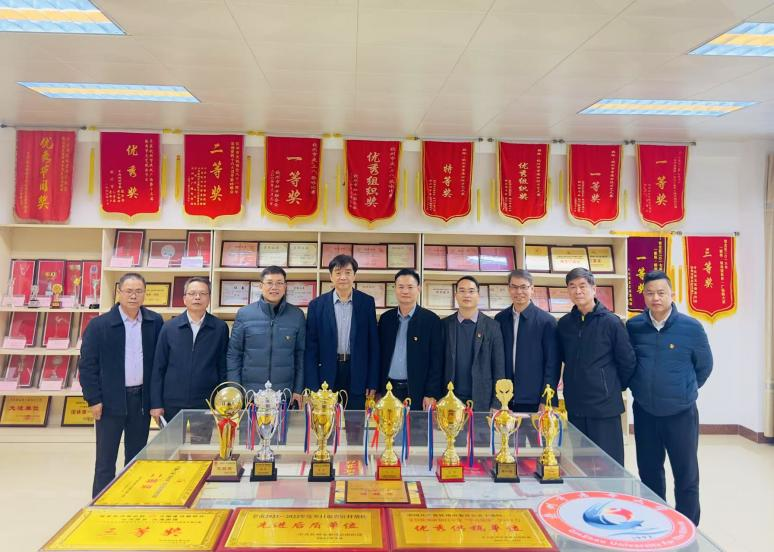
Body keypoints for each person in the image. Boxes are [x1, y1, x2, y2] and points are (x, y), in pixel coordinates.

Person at [627, 270, 713, 526]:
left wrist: (684, 389)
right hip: (645, 412)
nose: (656, 298)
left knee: (686, 475)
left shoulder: (691, 327)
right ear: (643, 296)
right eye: (650, 293)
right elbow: (628, 362)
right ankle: (656, 522)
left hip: (681, 414)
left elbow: (705, 366)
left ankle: (688, 528)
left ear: (672, 294)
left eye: (661, 292)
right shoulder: (634, 327)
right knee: (649, 472)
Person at [79, 273, 163, 498]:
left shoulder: (154, 322)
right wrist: (94, 399)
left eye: (139, 291)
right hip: (110, 402)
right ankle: (101, 503)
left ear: (145, 293)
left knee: (136, 458)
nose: (134, 296)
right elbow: (87, 366)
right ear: (119, 292)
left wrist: (156, 401)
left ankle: (132, 500)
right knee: (105, 460)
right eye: (129, 291)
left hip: (141, 401)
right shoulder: (100, 325)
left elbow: (159, 365)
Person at [557, 267, 636, 466]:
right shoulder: (564, 324)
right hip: (576, 404)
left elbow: (627, 361)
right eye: (572, 286)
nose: (578, 291)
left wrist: (610, 386)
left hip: (604, 406)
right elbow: (563, 358)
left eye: (582, 286)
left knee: (609, 463)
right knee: (581, 462)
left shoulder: (611, 322)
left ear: (594, 288)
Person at [150, 277, 229, 441]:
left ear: (209, 298)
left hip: (205, 402)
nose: (197, 297)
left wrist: (221, 401)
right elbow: (158, 368)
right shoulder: (169, 327)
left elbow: (222, 367)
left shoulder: (219, 328)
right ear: (184, 298)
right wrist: (156, 404)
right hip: (172, 402)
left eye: (202, 293)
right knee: (172, 448)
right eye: (192, 293)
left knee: (200, 447)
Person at [304, 254, 378, 410]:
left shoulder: (367, 303)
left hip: (357, 372)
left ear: (354, 275)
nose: (343, 277)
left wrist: (372, 381)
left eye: (348, 272)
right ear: (331, 276)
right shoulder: (316, 305)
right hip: (326, 374)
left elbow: (373, 345)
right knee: (326, 421)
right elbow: (311, 349)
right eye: (338, 273)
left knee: (355, 422)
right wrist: (312, 385)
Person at [227, 266, 305, 408]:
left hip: (284, 395)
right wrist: (235, 389)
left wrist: (298, 389)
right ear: (261, 286)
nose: (274, 287)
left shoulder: (297, 315)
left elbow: (300, 355)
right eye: (269, 283)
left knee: (283, 424)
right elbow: (234, 354)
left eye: (279, 283)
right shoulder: (244, 314)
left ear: (285, 286)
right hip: (251, 395)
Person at [494, 269, 560, 413]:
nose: (519, 292)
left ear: (532, 289)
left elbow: (552, 364)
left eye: (523, 287)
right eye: (514, 287)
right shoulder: (500, 319)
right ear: (509, 289)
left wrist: (546, 400)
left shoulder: (546, 322)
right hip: (505, 399)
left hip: (535, 401)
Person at [378, 269, 443, 410]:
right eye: (401, 287)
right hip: (388, 390)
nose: (405, 291)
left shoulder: (431, 320)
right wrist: (378, 390)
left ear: (418, 288)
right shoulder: (386, 319)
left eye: (410, 287)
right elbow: (378, 356)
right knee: (388, 425)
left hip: (417, 391)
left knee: (415, 425)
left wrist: (431, 393)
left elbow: (436, 361)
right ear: (395, 289)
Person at [441, 276, 505, 410]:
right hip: (450, 400)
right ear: (456, 295)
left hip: (482, 401)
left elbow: (499, 368)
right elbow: (437, 364)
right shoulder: (444, 325)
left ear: (478, 295)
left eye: (471, 291)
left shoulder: (492, 327)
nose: (467, 295)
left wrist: (497, 403)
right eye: (462, 291)